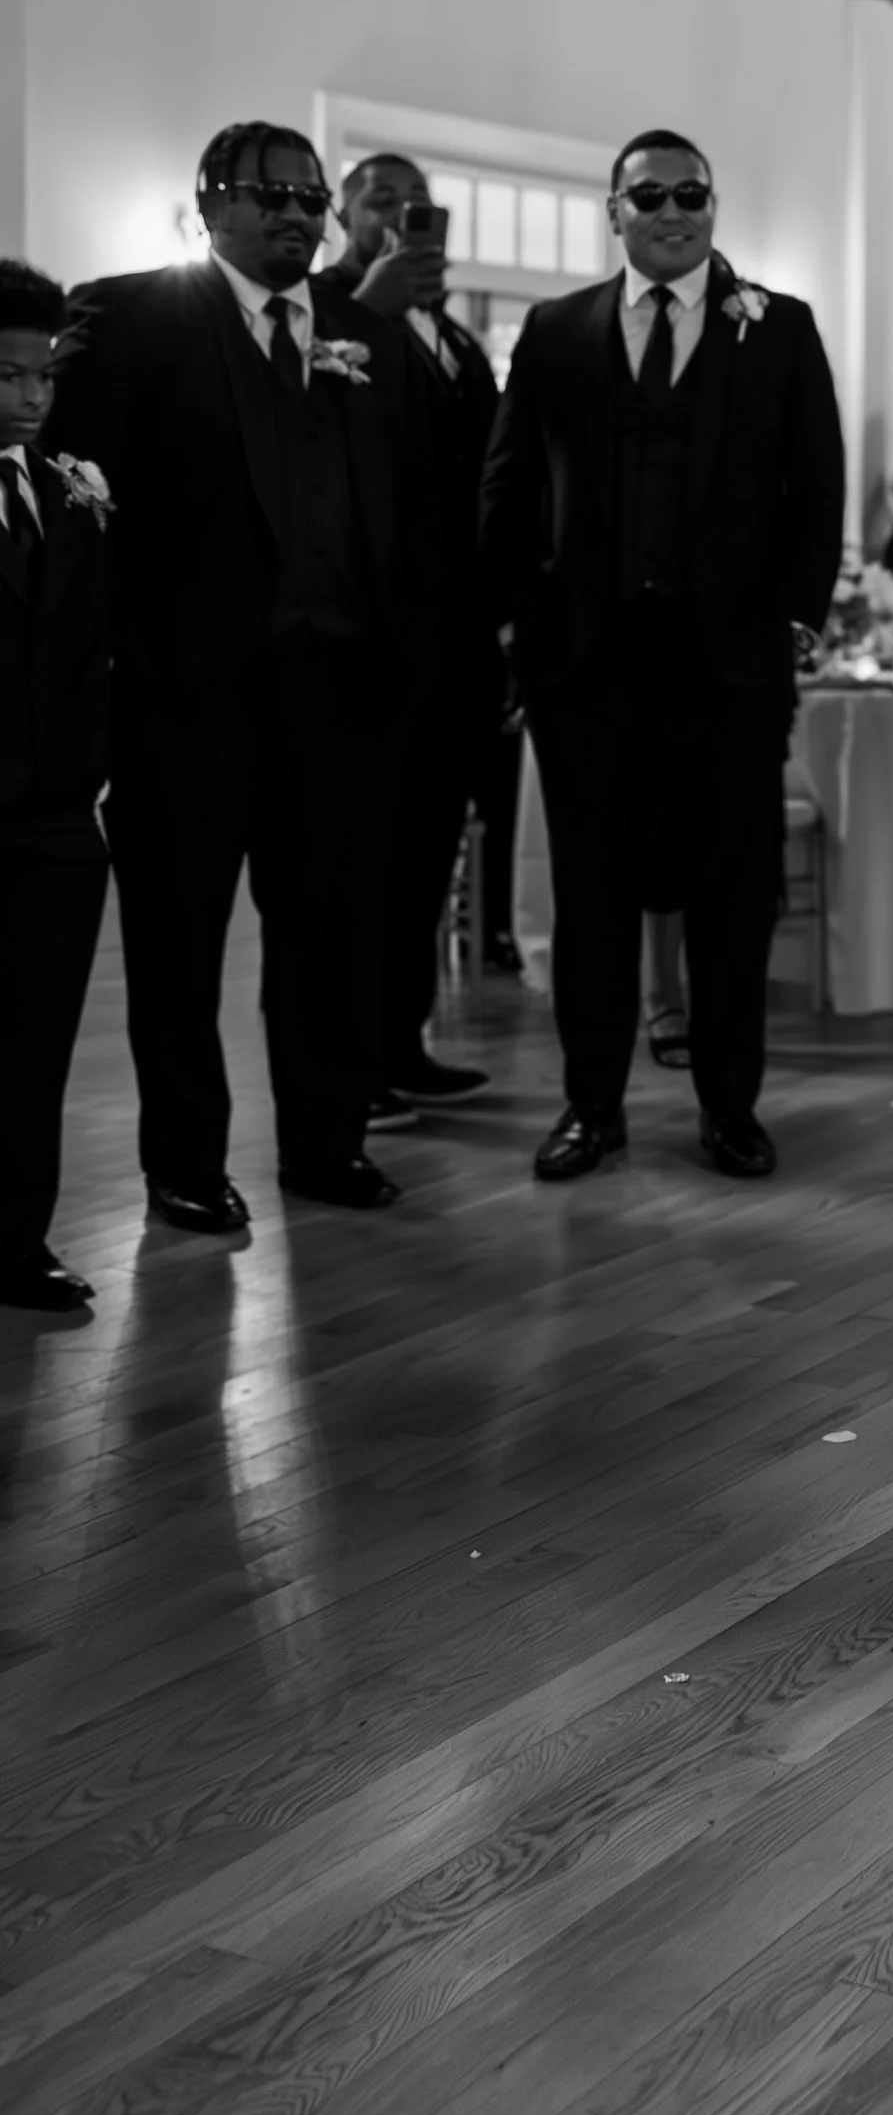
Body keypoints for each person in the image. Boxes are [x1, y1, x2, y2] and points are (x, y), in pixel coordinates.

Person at [48, 123, 441, 1226]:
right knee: (178, 946)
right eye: (268, 194)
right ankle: (184, 1162)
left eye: (310, 197)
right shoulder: (131, 317)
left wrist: (403, 664)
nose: (296, 214)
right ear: (207, 202)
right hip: (187, 700)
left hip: (341, 699)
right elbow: (82, 506)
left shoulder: (368, 331)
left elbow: (412, 512)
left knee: (331, 938)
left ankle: (327, 1144)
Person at [479, 130, 846, 1182]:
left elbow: (814, 489)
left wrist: (795, 618)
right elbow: (506, 488)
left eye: (692, 193)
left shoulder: (779, 328)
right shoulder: (553, 332)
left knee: (733, 895)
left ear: (712, 207)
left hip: (727, 663)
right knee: (590, 894)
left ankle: (730, 1107)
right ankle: (591, 1106)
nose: (673, 210)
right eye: (651, 196)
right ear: (615, 211)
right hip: (585, 663)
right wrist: (515, 622)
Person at [310, 153, 505, 1120]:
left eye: (416, 202)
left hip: (455, 644)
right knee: (360, 863)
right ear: (343, 213)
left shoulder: (459, 343)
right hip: (365, 642)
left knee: (430, 850)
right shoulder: (321, 312)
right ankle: (347, 1064)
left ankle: (402, 1041)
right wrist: (371, 311)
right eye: (379, 197)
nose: (400, 213)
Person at [0, 264, 114, 1310]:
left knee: (37, 1046)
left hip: (60, 819)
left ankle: (17, 1237)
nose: (31, 399)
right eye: (6, 377)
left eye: (41, 377)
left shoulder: (65, 487)